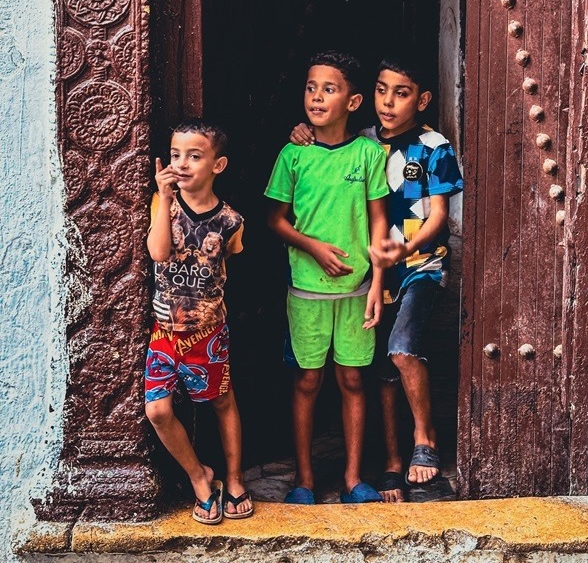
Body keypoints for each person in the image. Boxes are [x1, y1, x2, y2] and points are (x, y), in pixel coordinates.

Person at [291, 54, 463, 503]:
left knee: (402, 348)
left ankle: (425, 441)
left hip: (421, 264)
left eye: (401, 93)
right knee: (381, 370)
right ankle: (390, 461)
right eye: (382, 90)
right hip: (375, 273)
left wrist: (406, 248)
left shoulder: (434, 146)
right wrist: (303, 134)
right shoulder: (363, 143)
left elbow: (440, 216)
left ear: (422, 100)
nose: (388, 102)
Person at [265, 51, 389, 505]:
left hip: (357, 289)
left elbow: (379, 221)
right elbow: (275, 219)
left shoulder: (368, 154)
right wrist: (313, 247)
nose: (317, 97)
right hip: (306, 290)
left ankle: (355, 478)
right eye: (311, 87)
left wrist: (378, 281)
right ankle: (305, 479)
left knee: (354, 380)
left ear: (354, 102)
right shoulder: (294, 154)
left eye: (329, 89)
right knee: (307, 382)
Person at [145, 119, 254, 524]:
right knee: (158, 411)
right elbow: (158, 253)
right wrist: (163, 195)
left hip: (208, 332)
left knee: (221, 401)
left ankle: (235, 478)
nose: (183, 163)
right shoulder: (163, 208)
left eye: (195, 155)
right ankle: (199, 477)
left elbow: (231, 258)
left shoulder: (231, 221)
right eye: (176, 155)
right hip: (164, 333)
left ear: (218, 165)